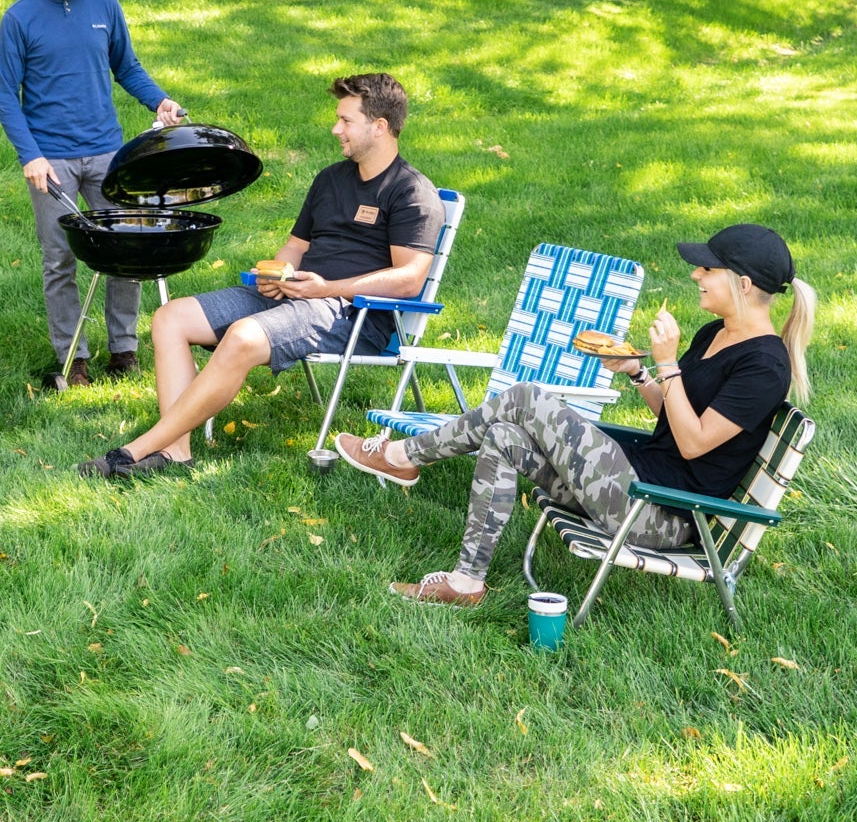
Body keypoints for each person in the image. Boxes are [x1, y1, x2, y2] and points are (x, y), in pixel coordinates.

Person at [335, 224, 817, 606]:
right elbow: (675, 418)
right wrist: (639, 374)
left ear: (743, 284)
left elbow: (693, 443)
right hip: (635, 481)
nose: (695, 276)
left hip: (659, 512)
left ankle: (400, 455)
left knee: (526, 397)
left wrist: (667, 362)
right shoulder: (715, 331)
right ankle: (465, 583)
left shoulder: (764, 366)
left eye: (707, 270)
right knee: (504, 434)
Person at [79, 72, 445, 478]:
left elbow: (409, 279)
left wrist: (325, 288)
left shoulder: (411, 192)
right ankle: (176, 452)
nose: (335, 128)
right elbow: (296, 246)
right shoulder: (330, 179)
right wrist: (278, 272)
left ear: (379, 127)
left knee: (242, 336)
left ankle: (139, 449)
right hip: (295, 294)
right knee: (170, 318)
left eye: (346, 120)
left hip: (350, 312)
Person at [0, 0, 183, 388]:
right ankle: (73, 356)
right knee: (60, 258)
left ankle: (124, 349)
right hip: (51, 160)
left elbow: (128, 67)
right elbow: (5, 99)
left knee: (126, 249)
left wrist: (158, 99)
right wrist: (29, 156)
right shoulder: (19, 18)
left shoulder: (105, 5)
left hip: (107, 151)